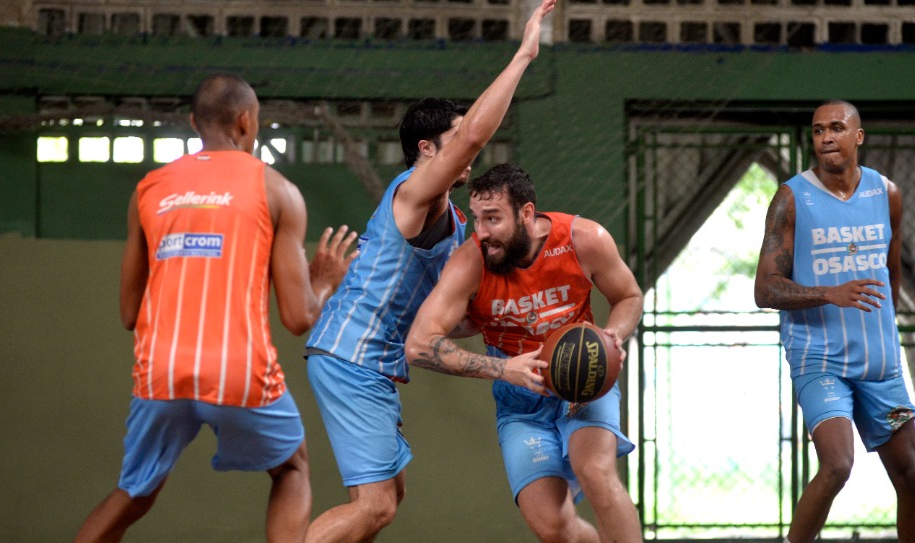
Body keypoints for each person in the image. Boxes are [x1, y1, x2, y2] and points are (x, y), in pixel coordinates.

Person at [301, 2, 558, 541]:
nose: (469, 148)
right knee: (374, 505)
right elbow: (471, 140)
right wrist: (523, 54)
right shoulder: (415, 191)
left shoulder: (456, 223)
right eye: (458, 137)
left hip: (364, 361)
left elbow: (449, 316)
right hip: (351, 358)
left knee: (387, 499)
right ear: (426, 148)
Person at [73, 73, 358, 543]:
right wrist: (322, 283)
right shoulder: (277, 190)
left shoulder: (149, 188)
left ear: (193, 122)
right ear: (246, 122)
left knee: (134, 492)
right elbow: (297, 318)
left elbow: (129, 313)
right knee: (291, 469)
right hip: (237, 369)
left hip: (160, 370)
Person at [404, 163, 643, 543]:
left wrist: (613, 335)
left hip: (583, 376)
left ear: (527, 213)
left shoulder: (584, 238)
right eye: (478, 219)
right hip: (520, 399)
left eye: (493, 219)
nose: (481, 232)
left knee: (595, 471)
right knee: (553, 526)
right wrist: (503, 369)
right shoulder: (470, 263)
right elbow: (418, 345)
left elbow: (629, 296)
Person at [753, 100, 915, 543]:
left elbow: (891, 272)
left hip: (879, 361)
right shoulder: (792, 197)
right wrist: (827, 292)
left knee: (910, 475)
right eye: (817, 131)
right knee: (836, 465)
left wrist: (884, 326)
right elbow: (765, 289)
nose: (826, 137)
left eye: (835, 128)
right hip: (819, 357)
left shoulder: (886, 193)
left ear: (858, 136)